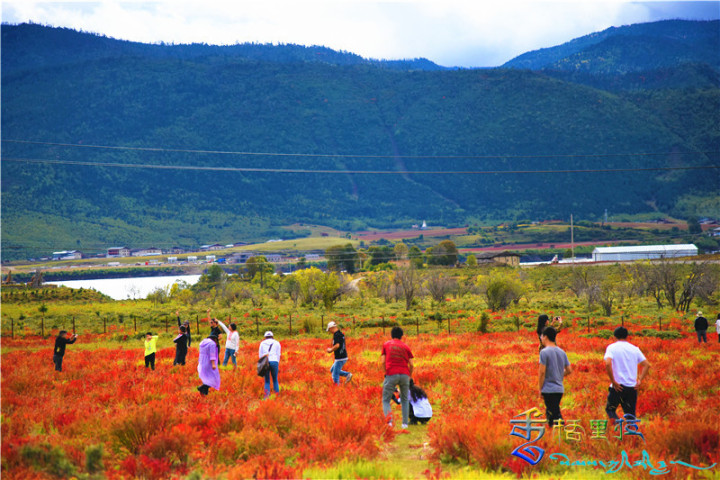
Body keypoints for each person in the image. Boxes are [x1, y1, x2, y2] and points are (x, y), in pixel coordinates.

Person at [604, 327, 651, 422]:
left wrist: (613, 381)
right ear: (627, 336)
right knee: (630, 416)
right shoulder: (634, 349)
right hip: (632, 387)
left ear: (614, 337)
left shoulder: (612, 347)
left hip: (617, 386)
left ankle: (618, 428)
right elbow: (647, 365)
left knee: (610, 409)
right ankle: (631, 434)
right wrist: (640, 380)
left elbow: (608, 363)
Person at [381, 326, 414, 428]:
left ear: (391, 335)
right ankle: (404, 424)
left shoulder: (386, 345)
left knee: (386, 400)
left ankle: (389, 422)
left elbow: (382, 361)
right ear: (401, 336)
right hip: (404, 374)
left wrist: (385, 373)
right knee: (404, 399)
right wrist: (409, 376)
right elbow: (412, 364)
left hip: (391, 373)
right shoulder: (406, 347)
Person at [538, 326, 572, 428]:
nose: (541, 339)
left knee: (554, 414)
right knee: (551, 413)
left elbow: (542, 372)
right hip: (559, 389)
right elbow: (569, 370)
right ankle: (555, 436)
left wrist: (540, 388)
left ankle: (564, 433)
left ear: (546, 337)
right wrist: (558, 374)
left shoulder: (544, 352)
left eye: (542, 336)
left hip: (549, 389)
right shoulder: (562, 352)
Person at [259, 331, 281, 398]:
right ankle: (277, 395)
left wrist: (262, 364)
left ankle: (266, 396)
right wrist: (277, 362)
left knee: (267, 381)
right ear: (272, 336)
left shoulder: (262, 343)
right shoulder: (277, 343)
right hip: (274, 361)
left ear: (265, 337)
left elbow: (260, 355)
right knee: (275, 379)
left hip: (266, 362)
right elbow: (278, 354)